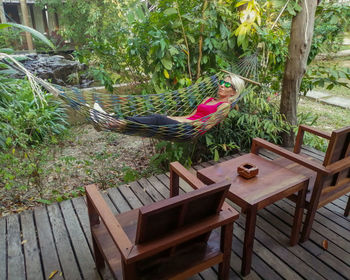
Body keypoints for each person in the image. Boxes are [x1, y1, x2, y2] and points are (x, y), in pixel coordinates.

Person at [90, 74, 244, 127]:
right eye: (221, 82)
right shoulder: (208, 98)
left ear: (234, 91)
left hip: (190, 129)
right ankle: (110, 120)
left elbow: (205, 124)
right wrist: (172, 118)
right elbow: (189, 115)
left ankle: (110, 120)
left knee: (157, 118)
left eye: (227, 84)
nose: (221, 86)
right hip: (183, 123)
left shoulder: (224, 106)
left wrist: (184, 124)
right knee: (155, 116)